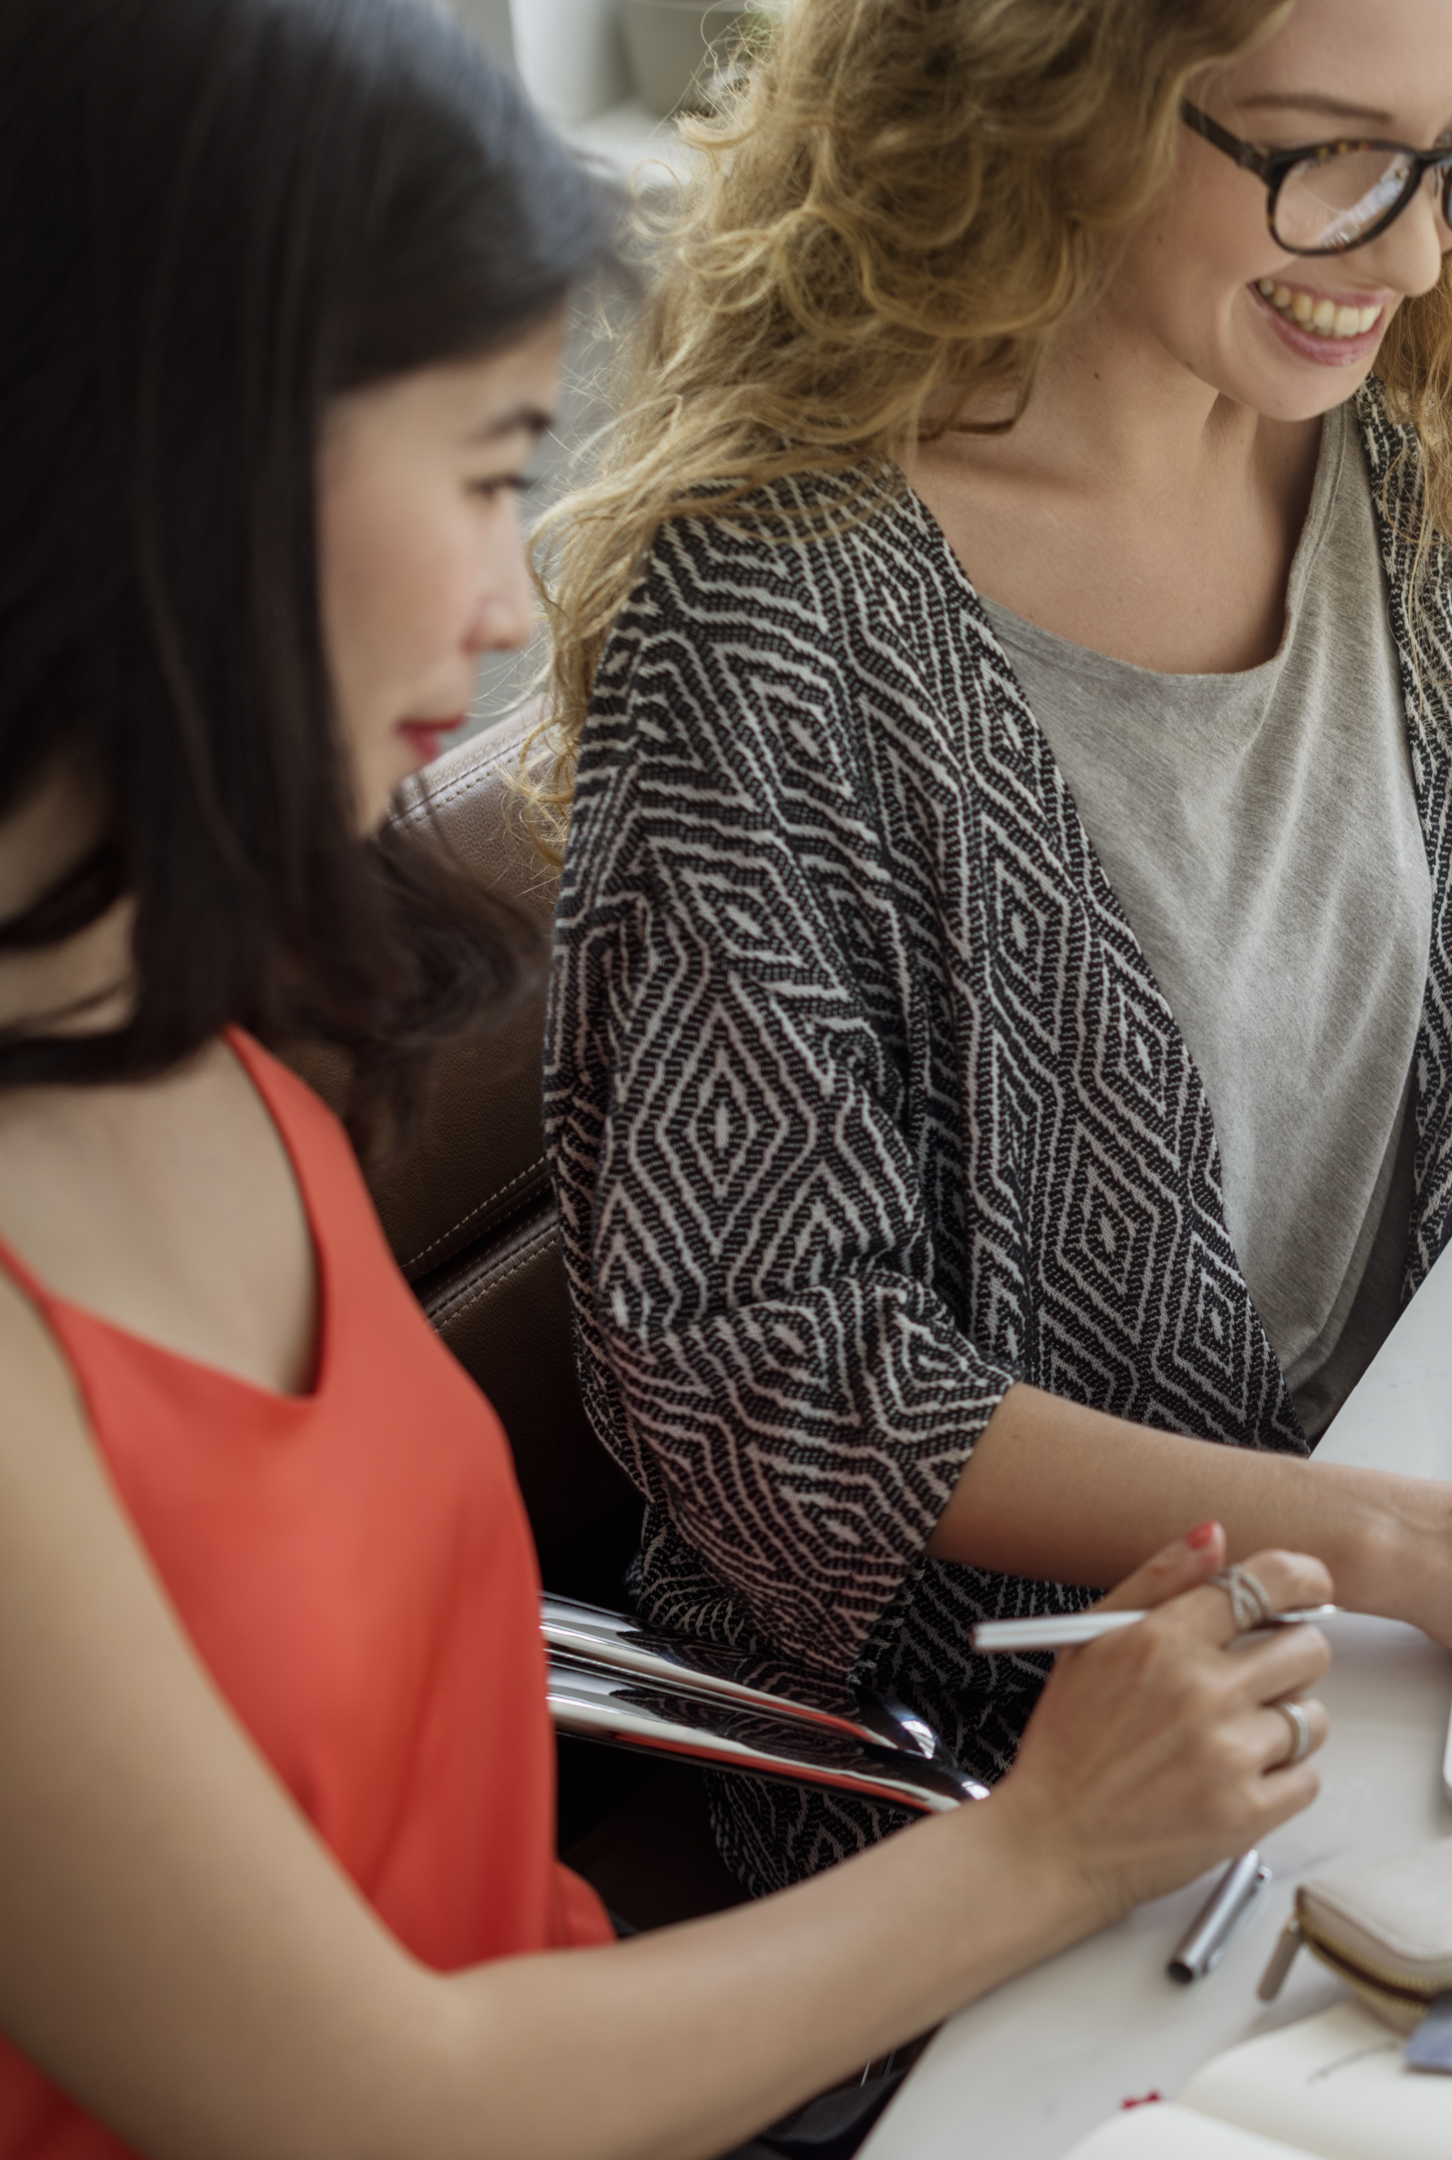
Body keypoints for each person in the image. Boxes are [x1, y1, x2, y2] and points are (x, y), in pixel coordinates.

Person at [538, 0, 1452, 1900]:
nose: (1414, 254)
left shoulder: (1374, 431)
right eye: (1329, 155)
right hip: (1041, 1743)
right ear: (1047, 97)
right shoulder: (772, 622)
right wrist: (1422, 1550)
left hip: (1434, 1488)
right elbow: (768, 1372)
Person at [0, 4, 1331, 2154]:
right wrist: (1046, 1845)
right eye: (473, 469)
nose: (509, 597)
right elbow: (371, 2105)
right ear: (169, 465)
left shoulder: (203, 1024)